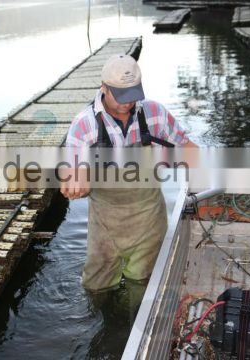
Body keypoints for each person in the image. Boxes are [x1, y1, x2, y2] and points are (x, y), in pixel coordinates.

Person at [60, 54, 196, 292]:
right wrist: (75, 183)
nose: (127, 103)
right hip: (105, 224)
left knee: (143, 284)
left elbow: (189, 151)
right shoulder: (84, 125)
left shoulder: (155, 113)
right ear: (104, 87)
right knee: (96, 287)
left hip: (149, 219)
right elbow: (69, 177)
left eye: (133, 95)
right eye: (121, 95)